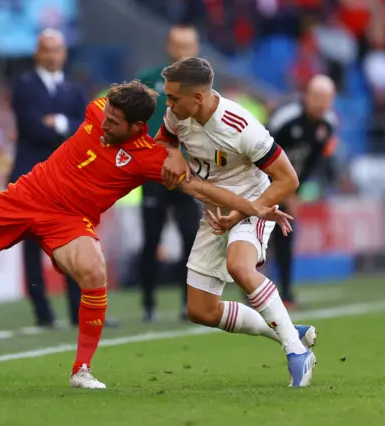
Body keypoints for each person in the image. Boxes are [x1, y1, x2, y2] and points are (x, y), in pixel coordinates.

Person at [0, 80, 291, 389]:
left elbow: (199, 186)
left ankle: (81, 370)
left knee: (94, 270)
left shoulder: (150, 157)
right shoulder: (96, 109)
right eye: (105, 116)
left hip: (70, 222)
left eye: (114, 123)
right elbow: (127, 100)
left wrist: (255, 207)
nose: (104, 122)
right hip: (25, 198)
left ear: (135, 128)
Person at [157, 57, 317, 387]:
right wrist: (171, 151)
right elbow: (166, 139)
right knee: (201, 311)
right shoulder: (177, 113)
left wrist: (248, 210)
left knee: (240, 267)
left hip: (253, 203)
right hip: (213, 211)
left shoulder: (241, 127)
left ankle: (296, 353)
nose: (168, 104)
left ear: (198, 97)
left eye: (174, 98)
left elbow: (288, 180)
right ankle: (287, 329)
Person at [9, 29, 87, 328]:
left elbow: (85, 129)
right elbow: (33, 127)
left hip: (65, 178)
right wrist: (66, 128)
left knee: (72, 242)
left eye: (57, 49)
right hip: (30, 177)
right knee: (31, 247)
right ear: (37, 54)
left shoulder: (74, 88)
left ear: (64, 53)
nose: (52, 55)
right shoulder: (24, 86)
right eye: (47, 49)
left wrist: (60, 122)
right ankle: (43, 314)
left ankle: (76, 311)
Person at [136, 25, 202, 322]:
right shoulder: (150, 81)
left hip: (188, 175)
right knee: (152, 239)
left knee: (191, 237)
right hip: (154, 173)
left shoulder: (206, 88)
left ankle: (189, 302)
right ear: (169, 46)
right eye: (178, 45)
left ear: (196, 48)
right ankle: (148, 303)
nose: (182, 51)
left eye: (188, 45)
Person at [266, 75, 337, 307]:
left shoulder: (329, 124)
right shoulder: (286, 118)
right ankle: (252, 287)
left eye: (326, 98)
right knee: (258, 234)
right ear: (306, 95)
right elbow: (262, 151)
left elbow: (312, 161)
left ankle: (285, 291)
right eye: (316, 96)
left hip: (288, 185)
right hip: (260, 179)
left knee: (286, 233)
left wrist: (296, 190)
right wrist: (285, 191)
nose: (320, 103)